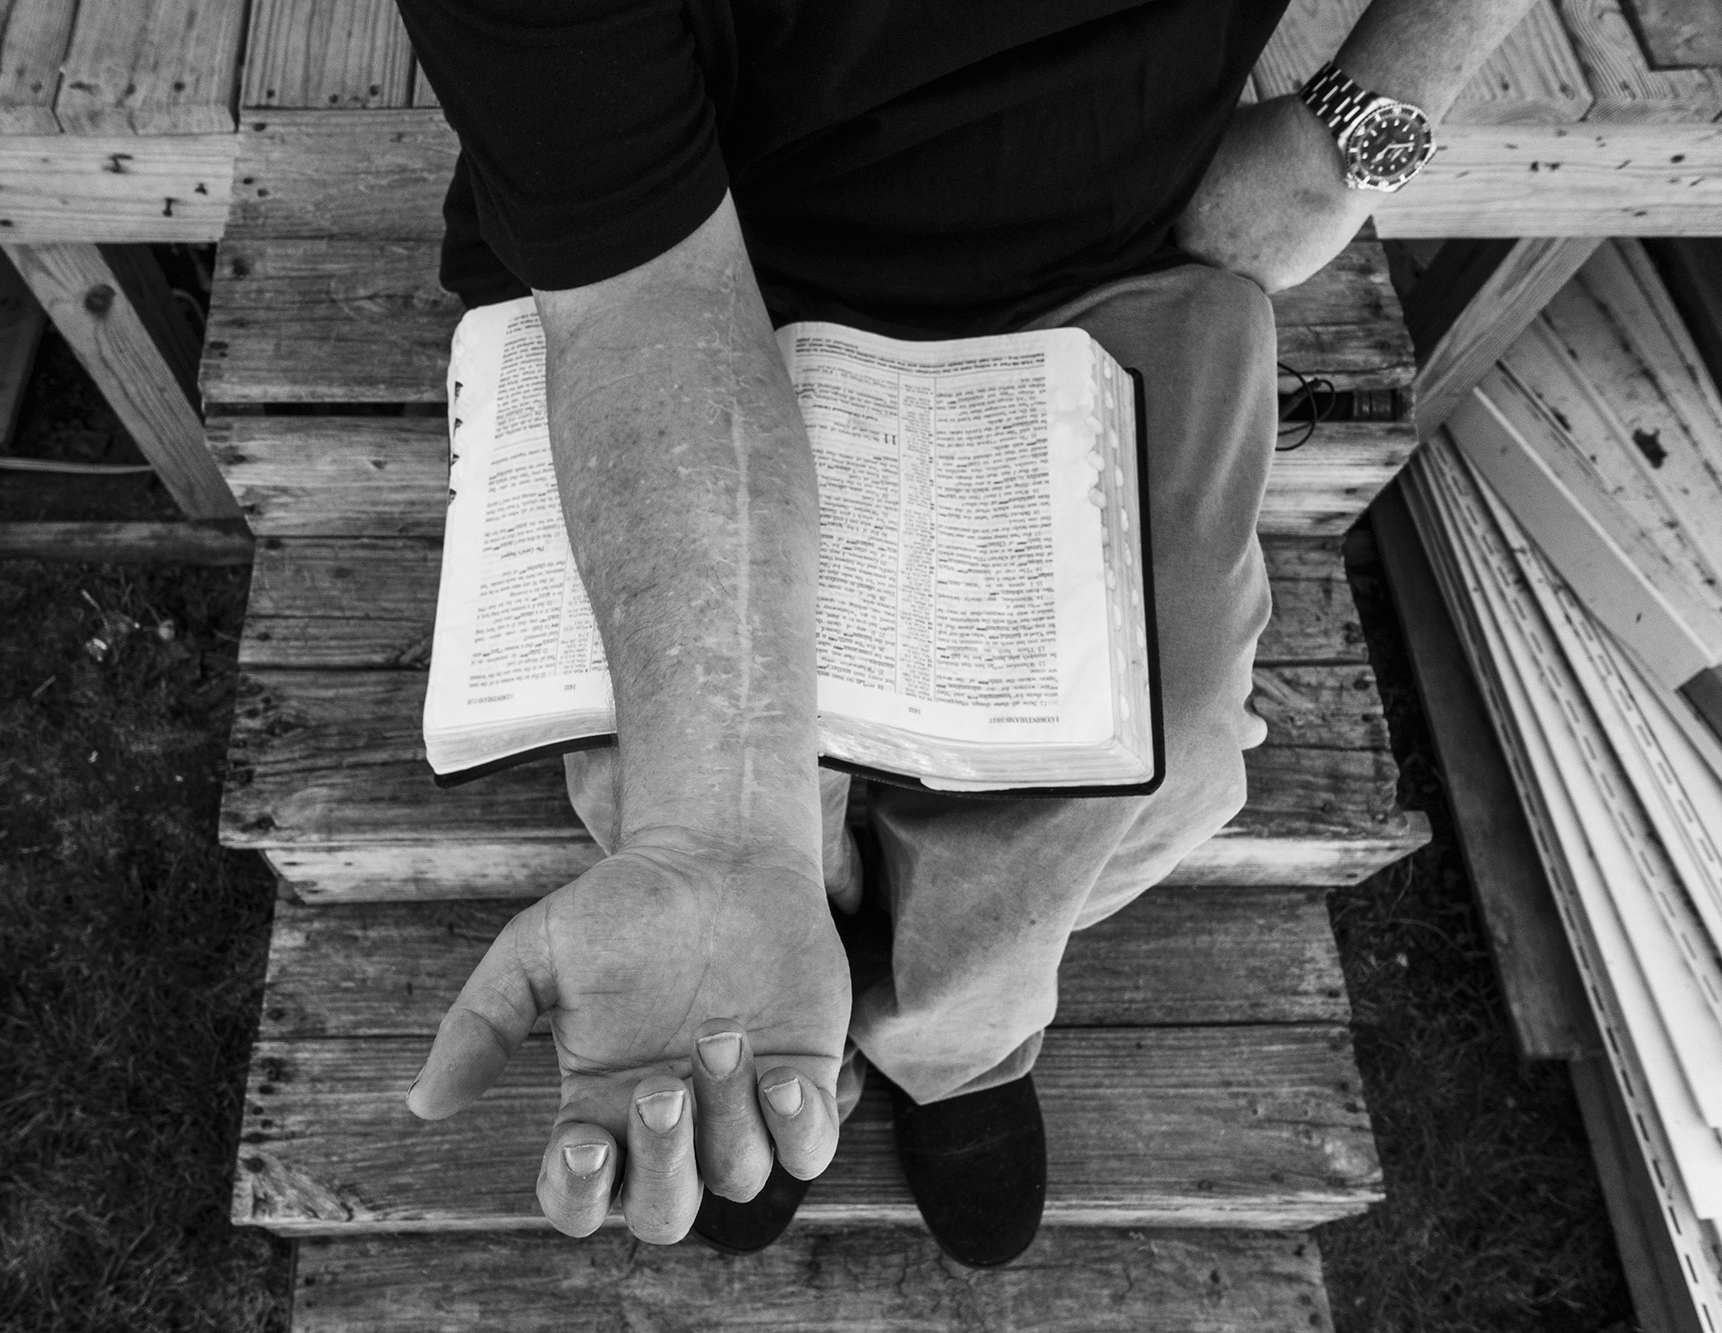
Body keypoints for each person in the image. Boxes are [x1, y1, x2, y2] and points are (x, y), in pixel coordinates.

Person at [397, 0, 1535, 1266]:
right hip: (674, 246)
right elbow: (643, 307)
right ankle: (786, 994)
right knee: (652, 726)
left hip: (1108, 238)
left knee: (1156, 741)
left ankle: (953, 1043)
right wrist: (720, 833)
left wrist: (1354, 131)